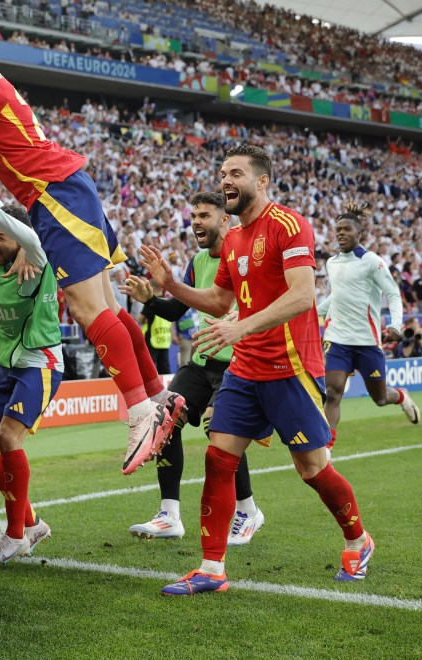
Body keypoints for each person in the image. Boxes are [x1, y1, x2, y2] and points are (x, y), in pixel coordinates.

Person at [0, 15, 181, 476]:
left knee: (86, 308)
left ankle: (141, 409)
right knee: (106, 305)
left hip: (54, 192)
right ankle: (158, 396)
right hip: (63, 189)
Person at [140, 145, 374, 595]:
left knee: (312, 470)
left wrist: (239, 328)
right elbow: (219, 302)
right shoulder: (233, 241)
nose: (226, 180)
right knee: (218, 456)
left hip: (292, 369)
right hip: (246, 371)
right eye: (223, 173)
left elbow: (303, 295)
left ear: (262, 181)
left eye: (236, 173)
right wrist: (169, 284)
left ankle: (358, 541)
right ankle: (212, 568)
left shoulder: (289, 224)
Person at [121, 192, 263, 546]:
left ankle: (247, 510)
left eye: (205, 215)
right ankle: (169, 515)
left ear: (225, 220)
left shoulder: (243, 257)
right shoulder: (198, 261)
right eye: (194, 215)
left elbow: (261, 305)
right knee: (165, 419)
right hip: (200, 363)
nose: (197, 221)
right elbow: (175, 310)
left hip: (236, 363)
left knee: (221, 429)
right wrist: (150, 300)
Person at [0, 201, 60, 565]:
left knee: (8, 438)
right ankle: (31, 523)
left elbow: (36, 240)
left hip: (39, 361)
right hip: (8, 365)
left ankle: (14, 536)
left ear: (21, 237)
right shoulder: (1, 256)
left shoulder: (35, 260)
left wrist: (26, 244)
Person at [319, 202, 419, 440]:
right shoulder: (331, 263)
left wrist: (395, 324)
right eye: (338, 229)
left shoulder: (372, 261)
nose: (341, 233)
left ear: (359, 233)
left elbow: (393, 293)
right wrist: (310, 310)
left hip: (366, 341)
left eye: (346, 229)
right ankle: (326, 450)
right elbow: (336, 296)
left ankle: (402, 396)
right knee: (332, 392)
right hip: (337, 339)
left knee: (380, 398)